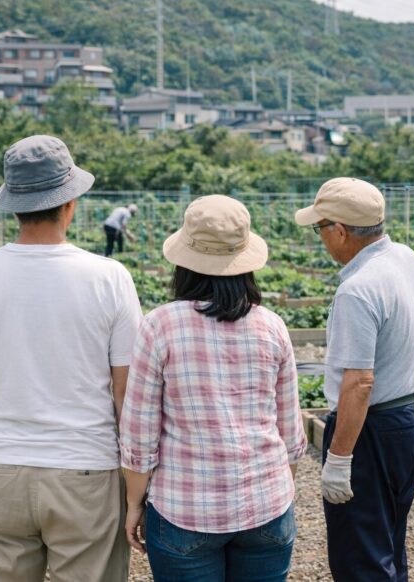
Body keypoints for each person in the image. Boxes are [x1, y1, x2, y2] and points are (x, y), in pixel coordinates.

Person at [0, 135, 142, 582]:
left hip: (1, 467)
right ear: (70, 202)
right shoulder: (109, 277)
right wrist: (134, 484)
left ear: (13, 206)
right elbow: (125, 390)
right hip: (85, 469)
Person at [120, 194, 307, 582]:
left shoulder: (160, 325)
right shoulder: (272, 325)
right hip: (266, 505)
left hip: (185, 509)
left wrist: (134, 502)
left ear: (184, 262)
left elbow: (139, 435)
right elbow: (290, 432)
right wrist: (275, 490)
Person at [295, 178, 414, 581]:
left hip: (372, 429)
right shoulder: (405, 258)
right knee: (387, 544)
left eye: (319, 228)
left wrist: (338, 460)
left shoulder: (357, 289)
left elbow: (359, 383)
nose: (320, 238)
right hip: (411, 418)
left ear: (339, 230)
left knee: (361, 562)